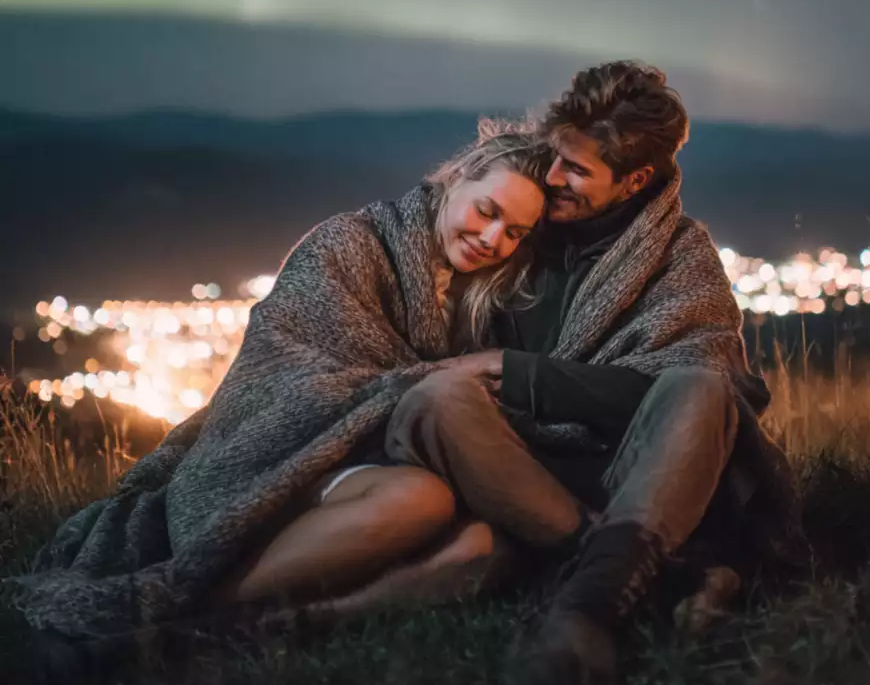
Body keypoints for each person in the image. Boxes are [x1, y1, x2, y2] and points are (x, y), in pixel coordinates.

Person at [4, 121, 552, 648]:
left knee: (473, 536)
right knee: (422, 500)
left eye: (515, 233)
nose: (492, 238)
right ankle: (175, 605)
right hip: (268, 454)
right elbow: (287, 379)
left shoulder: (481, 297)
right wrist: (444, 373)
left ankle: (233, 625)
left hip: (366, 458)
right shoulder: (348, 245)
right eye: (488, 211)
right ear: (457, 179)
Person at [381, 61, 801, 685]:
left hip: (636, 471)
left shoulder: (679, 256)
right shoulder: (517, 229)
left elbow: (712, 399)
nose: (552, 180)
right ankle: (652, 571)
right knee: (436, 398)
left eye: (577, 170)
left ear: (632, 179)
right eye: (554, 157)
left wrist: (516, 371)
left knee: (700, 389)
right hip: (517, 467)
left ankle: (586, 611)